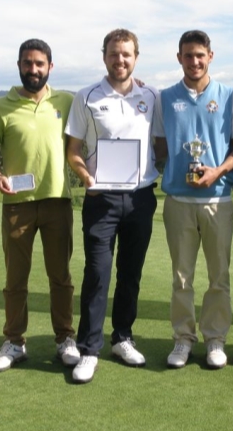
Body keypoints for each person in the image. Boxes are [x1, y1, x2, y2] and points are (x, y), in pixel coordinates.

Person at [65, 29, 159, 384]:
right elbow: (73, 151)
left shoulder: (152, 95)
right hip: (99, 199)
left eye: (127, 54)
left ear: (136, 57)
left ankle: (122, 337)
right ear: (104, 55)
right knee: (97, 273)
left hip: (140, 198)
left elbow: (161, 143)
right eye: (114, 54)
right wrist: (85, 177)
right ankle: (90, 349)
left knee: (130, 273)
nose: (120, 60)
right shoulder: (86, 96)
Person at [0, 39, 79, 372]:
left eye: (39, 63)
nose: (33, 69)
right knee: (15, 279)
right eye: (27, 63)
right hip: (17, 204)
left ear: (50, 66)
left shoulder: (66, 101)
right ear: (19, 65)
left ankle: (65, 338)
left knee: (61, 277)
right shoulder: (0, 107)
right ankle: (14, 341)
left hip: (57, 201)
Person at [153, 30, 233, 369]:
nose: (194, 61)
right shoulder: (165, 98)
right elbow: (160, 147)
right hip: (178, 199)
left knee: (219, 275)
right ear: (179, 58)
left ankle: (216, 338)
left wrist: (217, 171)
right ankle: (182, 338)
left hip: (217, 199)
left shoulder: (230, 95)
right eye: (188, 55)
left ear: (211, 56)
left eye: (200, 55)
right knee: (181, 277)